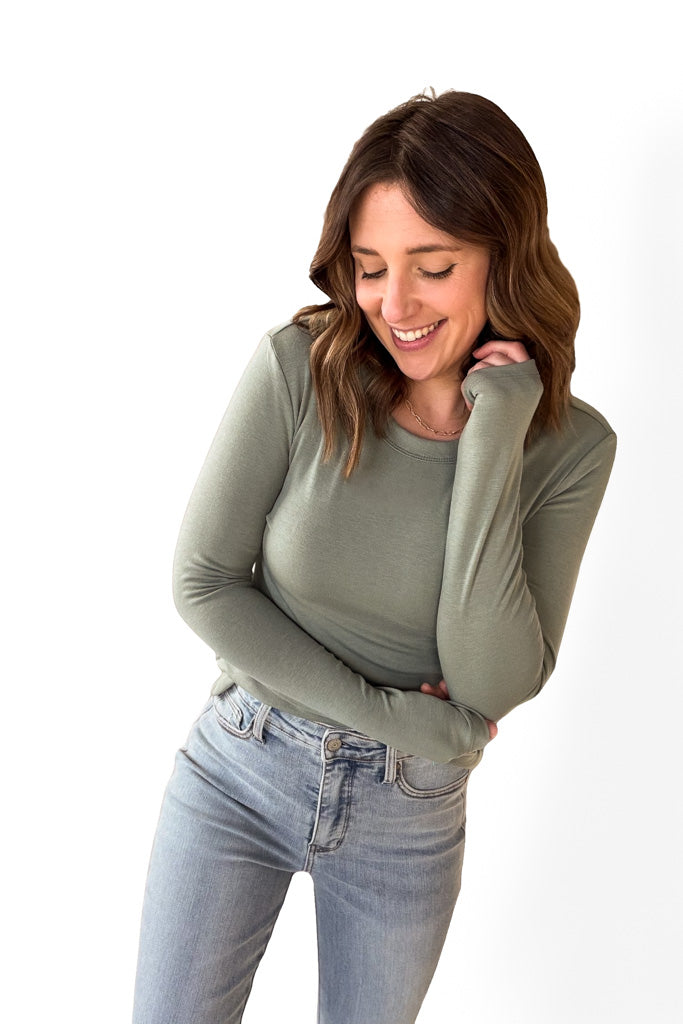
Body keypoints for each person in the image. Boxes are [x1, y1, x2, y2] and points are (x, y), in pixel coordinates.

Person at [132, 90, 616, 1024]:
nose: (394, 305)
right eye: (368, 268)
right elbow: (203, 583)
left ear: (504, 258)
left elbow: (493, 682)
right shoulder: (298, 368)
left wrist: (491, 436)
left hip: (409, 812)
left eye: (432, 268)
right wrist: (395, 714)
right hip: (241, 766)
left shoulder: (569, 447)